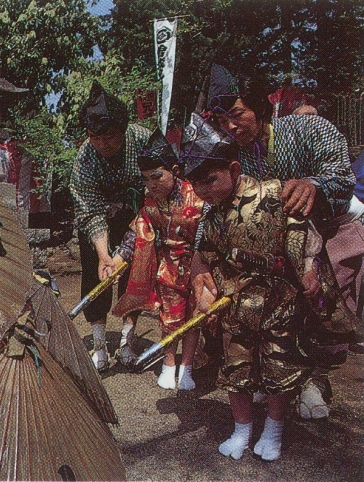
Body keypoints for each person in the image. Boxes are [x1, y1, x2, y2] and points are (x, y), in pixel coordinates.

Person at [202, 65, 364, 419]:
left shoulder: (308, 128)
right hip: (270, 244)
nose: (230, 126)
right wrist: (201, 258)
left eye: (237, 115)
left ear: (259, 106)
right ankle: (269, 376)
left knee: (316, 292)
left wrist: (313, 185)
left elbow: (342, 176)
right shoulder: (227, 153)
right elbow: (212, 203)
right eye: (221, 119)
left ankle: (314, 380)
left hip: (334, 226)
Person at [182, 116, 325, 461]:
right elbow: (205, 258)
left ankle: (274, 429)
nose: (204, 191)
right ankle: (242, 429)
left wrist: (309, 268)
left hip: (279, 304)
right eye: (196, 185)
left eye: (210, 180)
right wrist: (205, 294)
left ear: (233, 169)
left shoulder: (274, 193)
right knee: (237, 371)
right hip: (235, 308)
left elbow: (306, 234)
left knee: (278, 368)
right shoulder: (211, 217)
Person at [109, 128, 205, 389]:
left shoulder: (197, 196)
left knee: (195, 315)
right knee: (170, 316)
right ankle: (169, 363)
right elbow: (138, 231)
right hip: (169, 267)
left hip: (199, 264)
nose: (151, 184)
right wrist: (117, 260)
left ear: (174, 170)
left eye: (157, 177)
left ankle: (187, 367)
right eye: (146, 179)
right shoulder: (151, 203)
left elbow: (207, 234)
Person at [70, 80, 151, 371]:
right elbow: (89, 209)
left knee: (136, 274)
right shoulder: (85, 158)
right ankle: (100, 343)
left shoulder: (144, 141)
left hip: (139, 216)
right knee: (96, 272)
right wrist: (105, 255)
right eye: (95, 137)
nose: (103, 144)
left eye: (110, 137)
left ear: (123, 129)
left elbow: (158, 192)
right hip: (98, 218)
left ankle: (128, 339)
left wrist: (124, 253)